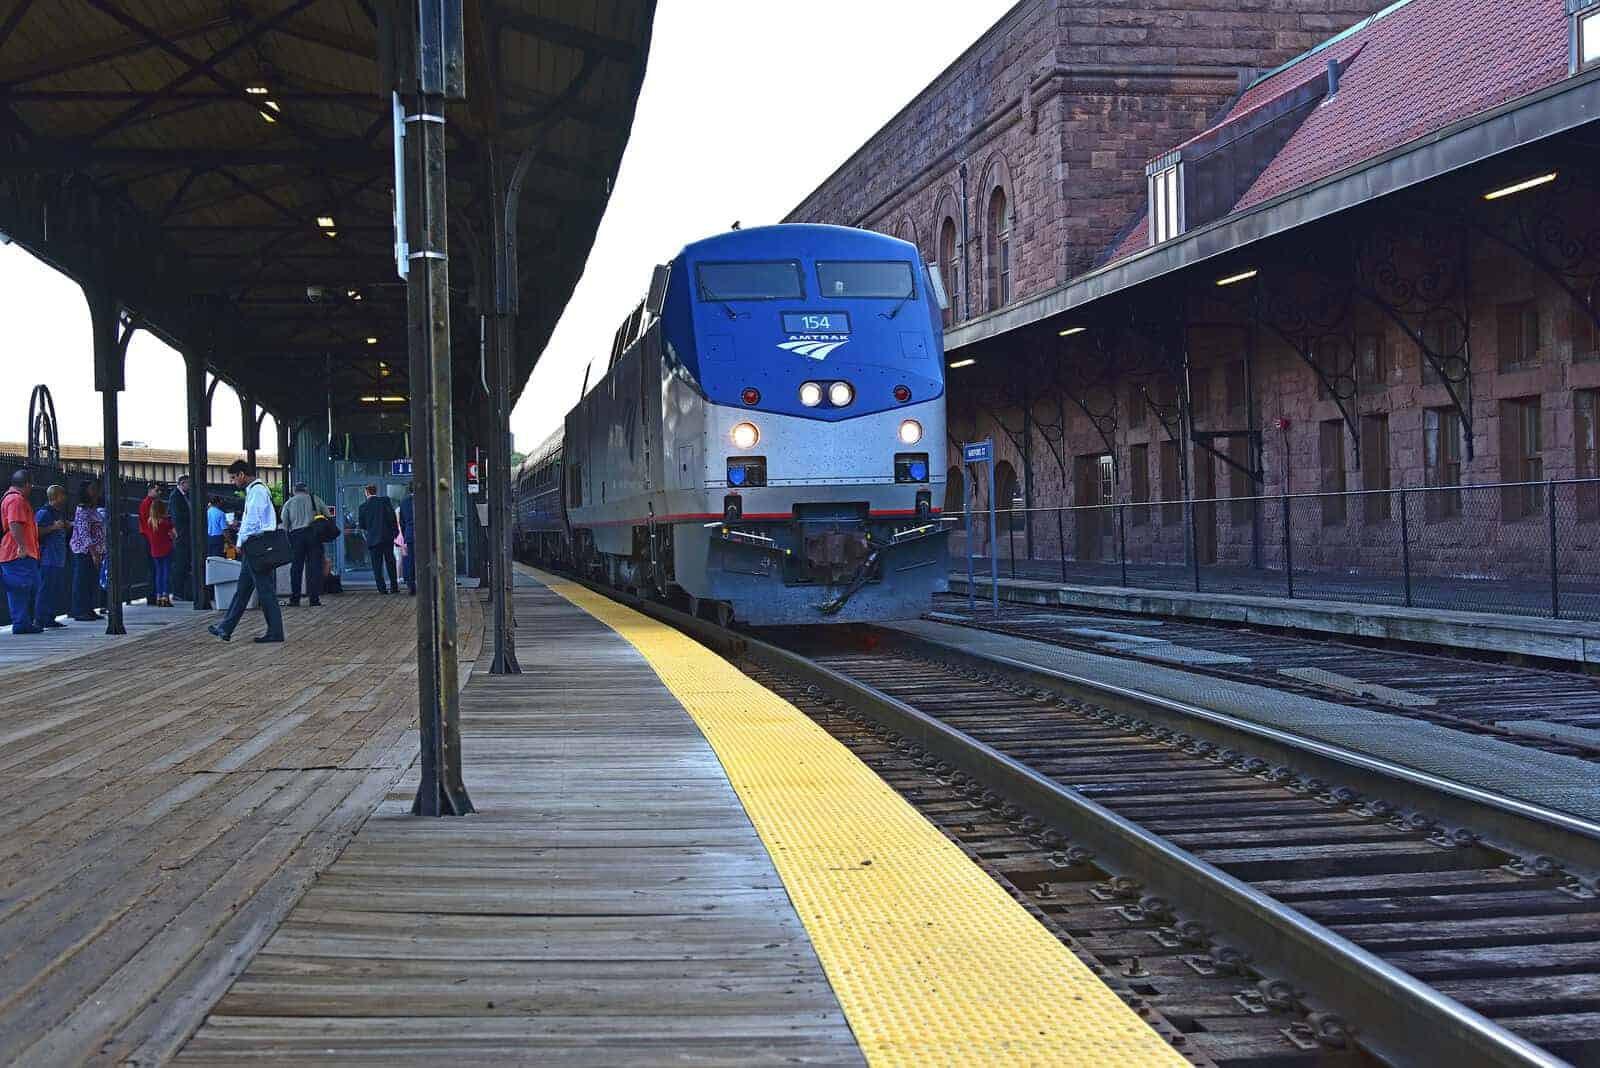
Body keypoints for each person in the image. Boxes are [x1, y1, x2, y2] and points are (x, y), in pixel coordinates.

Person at [208, 460, 284, 643]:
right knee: (243, 590)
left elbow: (252, 520)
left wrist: (240, 542)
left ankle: (275, 631)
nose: (234, 481)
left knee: (264, 591)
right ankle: (226, 628)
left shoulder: (256, 491)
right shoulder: (256, 490)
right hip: (256, 545)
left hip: (254, 545)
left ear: (242, 474)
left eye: (234, 477)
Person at [1, 470, 42, 634]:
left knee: (25, 586)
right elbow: (14, 523)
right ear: (26, 484)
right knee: (21, 586)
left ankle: (22, 621)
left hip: (16, 552)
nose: (31, 488)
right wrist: (22, 546)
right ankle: (21, 622)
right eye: (30, 484)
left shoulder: (10, 498)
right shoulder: (16, 500)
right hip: (17, 552)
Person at [280, 481, 329, 607]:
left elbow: (284, 526)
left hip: (296, 536)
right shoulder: (315, 499)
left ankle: (295, 599)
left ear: (295, 491)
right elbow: (327, 515)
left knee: (296, 568)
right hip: (314, 536)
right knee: (314, 567)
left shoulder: (289, 503)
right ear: (306, 490)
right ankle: (314, 599)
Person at [34, 484, 70, 629]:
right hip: (48, 558)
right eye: (62, 494)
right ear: (55, 496)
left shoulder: (58, 513)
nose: (65, 497)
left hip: (57, 557)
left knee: (54, 589)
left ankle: (49, 617)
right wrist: (53, 527)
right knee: (45, 588)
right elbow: (35, 532)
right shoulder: (44, 513)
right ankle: (40, 618)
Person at [69, 481, 106, 621]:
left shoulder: (92, 509)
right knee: (82, 581)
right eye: (91, 489)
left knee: (91, 580)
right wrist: (94, 553)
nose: (95, 492)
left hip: (96, 551)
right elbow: (84, 533)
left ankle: (88, 608)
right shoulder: (82, 510)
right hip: (85, 552)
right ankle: (80, 610)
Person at [357, 484, 399, 594]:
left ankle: (382, 589)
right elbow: (392, 518)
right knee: (390, 562)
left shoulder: (363, 507)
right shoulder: (384, 502)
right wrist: (395, 532)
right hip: (387, 538)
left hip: (373, 540)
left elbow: (362, 525)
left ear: (366, 492)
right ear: (376, 491)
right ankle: (394, 587)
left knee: (377, 566)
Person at [145, 498, 176, 607]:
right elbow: (174, 535)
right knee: (166, 572)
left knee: (158, 573)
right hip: (166, 549)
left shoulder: (149, 522)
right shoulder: (166, 522)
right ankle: (165, 596)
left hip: (155, 550)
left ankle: (158, 596)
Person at [168, 475, 193, 601]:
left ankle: (183, 590)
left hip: (185, 534)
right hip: (181, 534)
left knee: (185, 563)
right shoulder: (175, 497)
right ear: (182, 483)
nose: (189, 486)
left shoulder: (184, 496)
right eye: (188, 484)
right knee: (180, 563)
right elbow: (176, 515)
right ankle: (178, 591)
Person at [138, 482, 160, 606]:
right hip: (150, 537)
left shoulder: (148, 503)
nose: (159, 493)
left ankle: (153, 594)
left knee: (153, 567)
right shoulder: (148, 504)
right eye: (157, 490)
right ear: (150, 490)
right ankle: (152, 595)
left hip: (149, 537)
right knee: (153, 567)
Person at [398, 482, 417, 596]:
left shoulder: (403, 503)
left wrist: (406, 534)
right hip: (424, 534)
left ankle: (411, 586)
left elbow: (402, 522)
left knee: (410, 561)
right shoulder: (425, 500)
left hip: (410, 534)